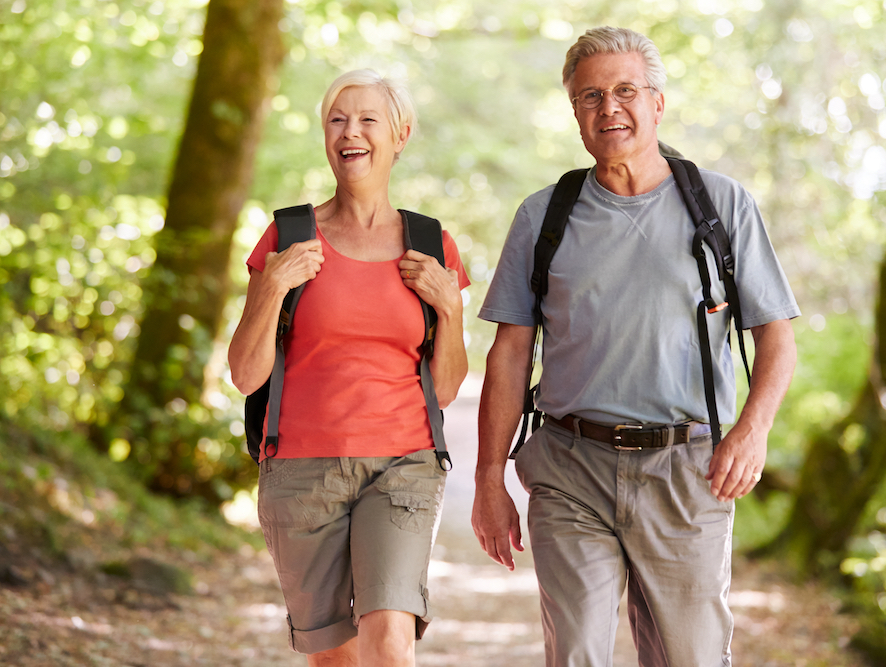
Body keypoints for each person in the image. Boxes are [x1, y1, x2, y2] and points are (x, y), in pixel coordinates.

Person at [471, 27, 800, 666]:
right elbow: (510, 353)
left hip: (687, 469)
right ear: (574, 112)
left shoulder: (720, 206)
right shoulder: (544, 216)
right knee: (577, 654)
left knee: (691, 658)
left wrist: (752, 431)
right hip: (570, 466)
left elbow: (776, 336)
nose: (609, 109)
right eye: (590, 97)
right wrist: (489, 477)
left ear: (658, 102)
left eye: (626, 91)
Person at [228, 69, 469, 667]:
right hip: (301, 469)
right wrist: (274, 286)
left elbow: (445, 388)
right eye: (338, 120)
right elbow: (245, 374)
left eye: (368, 120)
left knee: (389, 636)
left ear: (400, 134)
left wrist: (452, 310)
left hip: (404, 465)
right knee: (334, 656)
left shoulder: (431, 244)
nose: (350, 133)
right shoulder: (288, 237)